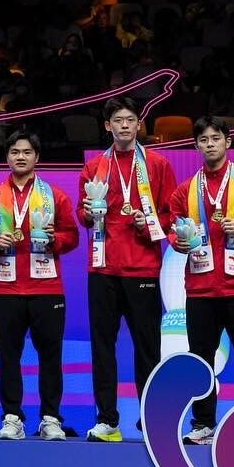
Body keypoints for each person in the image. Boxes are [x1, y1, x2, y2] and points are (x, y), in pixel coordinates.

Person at [166, 117, 234, 446]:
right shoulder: (186, 190)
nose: (210, 144)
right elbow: (173, 230)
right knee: (200, 360)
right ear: (196, 146)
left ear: (228, 142)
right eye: (203, 140)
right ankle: (203, 424)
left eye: (215, 138)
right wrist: (179, 242)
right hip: (200, 289)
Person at [78, 96, 177, 442]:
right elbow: (81, 214)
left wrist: (145, 222)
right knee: (102, 347)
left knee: (147, 348)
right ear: (108, 126)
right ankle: (107, 420)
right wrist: (88, 214)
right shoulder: (95, 166)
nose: (124, 125)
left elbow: (170, 215)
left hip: (142, 268)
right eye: (117, 120)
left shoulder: (158, 164)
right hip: (102, 268)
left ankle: (150, 420)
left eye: (130, 119)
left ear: (138, 124)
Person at [0, 131, 79, 440]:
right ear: (7, 157)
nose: (20, 157)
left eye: (27, 152)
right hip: (5, 289)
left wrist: (55, 240)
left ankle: (50, 418)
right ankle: (12, 417)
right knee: (8, 357)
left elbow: (72, 236)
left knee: (50, 357)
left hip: (47, 288)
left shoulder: (55, 196)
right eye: (15, 152)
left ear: (37, 157)